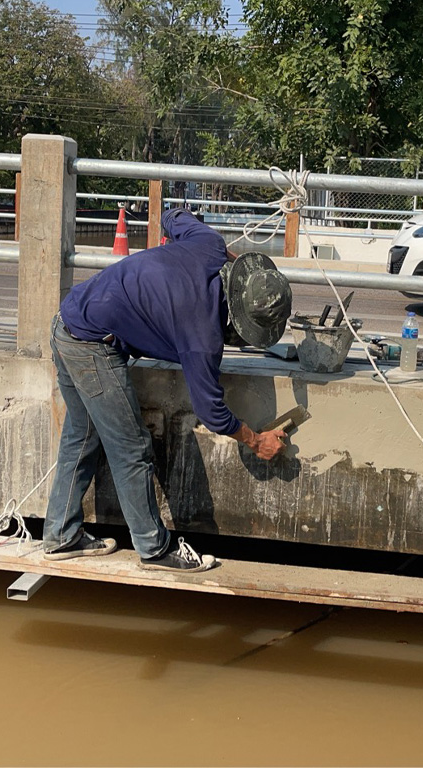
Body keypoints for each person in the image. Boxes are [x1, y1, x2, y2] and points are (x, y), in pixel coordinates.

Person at [41, 208, 293, 572]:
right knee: (131, 448)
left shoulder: (209, 244)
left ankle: (61, 536)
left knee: (81, 436)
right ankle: (154, 549)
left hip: (68, 320)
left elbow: (173, 215)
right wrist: (256, 440)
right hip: (92, 345)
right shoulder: (202, 335)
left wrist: (224, 262)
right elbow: (211, 411)